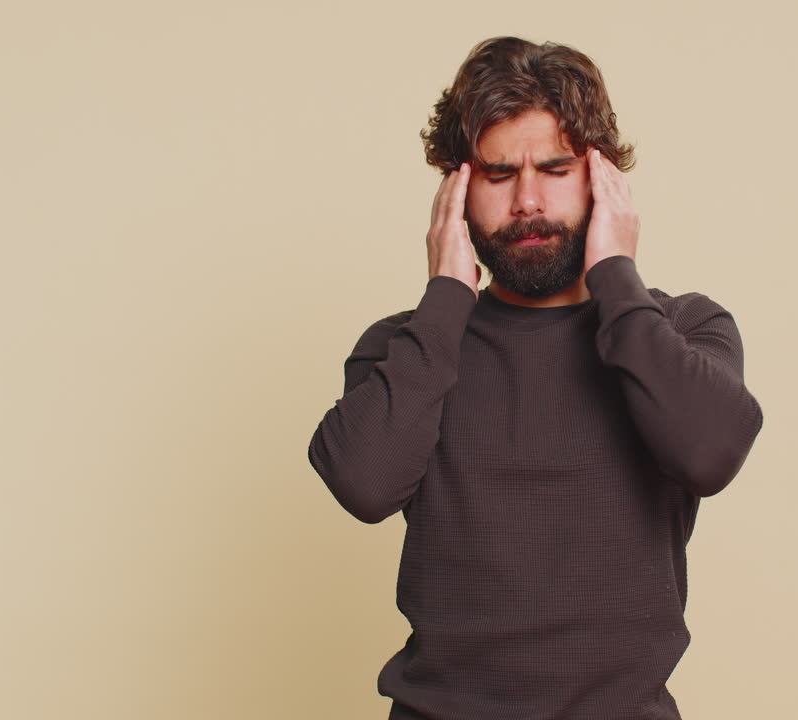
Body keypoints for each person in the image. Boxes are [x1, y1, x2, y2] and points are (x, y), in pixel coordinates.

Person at [308, 36, 764, 720]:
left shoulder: (682, 330)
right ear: (456, 192)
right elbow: (365, 485)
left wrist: (617, 276)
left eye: (554, 168)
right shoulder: (407, 348)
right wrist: (444, 298)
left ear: (601, 177)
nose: (526, 200)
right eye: (497, 175)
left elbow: (709, 454)